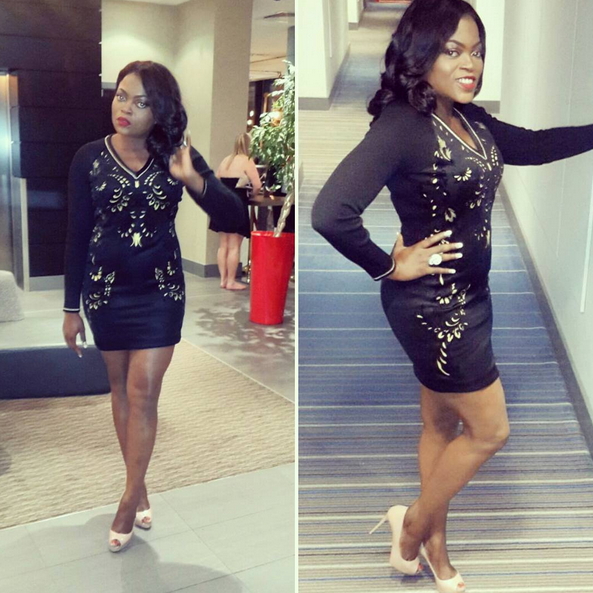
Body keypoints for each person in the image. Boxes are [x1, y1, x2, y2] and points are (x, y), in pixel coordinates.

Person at [311, 0, 593, 591]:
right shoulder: (401, 126)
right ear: (421, 54)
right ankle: (411, 527)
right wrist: (389, 266)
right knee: (491, 431)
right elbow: (330, 212)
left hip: (471, 296)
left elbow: (534, 145)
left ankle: (434, 550)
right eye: (453, 50)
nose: (471, 64)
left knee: (439, 424)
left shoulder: (467, 117)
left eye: (477, 51)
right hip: (435, 308)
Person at [62, 61, 244, 553]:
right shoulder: (88, 158)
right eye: (122, 95)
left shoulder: (177, 155)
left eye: (141, 102)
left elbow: (236, 216)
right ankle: (138, 485)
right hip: (105, 293)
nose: (125, 108)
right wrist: (70, 308)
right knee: (120, 389)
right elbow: (77, 234)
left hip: (160, 293)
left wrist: (193, 180)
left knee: (143, 391)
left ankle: (126, 501)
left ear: (160, 110)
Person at [211, 132, 262, 290]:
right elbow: (257, 185)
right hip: (237, 205)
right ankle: (231, 281)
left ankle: (223, 280)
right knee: (234, 246)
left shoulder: (226, 160)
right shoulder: (247, 161)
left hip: (222, 205)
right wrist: (251, 193)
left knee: (223, 245)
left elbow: (215, 181)